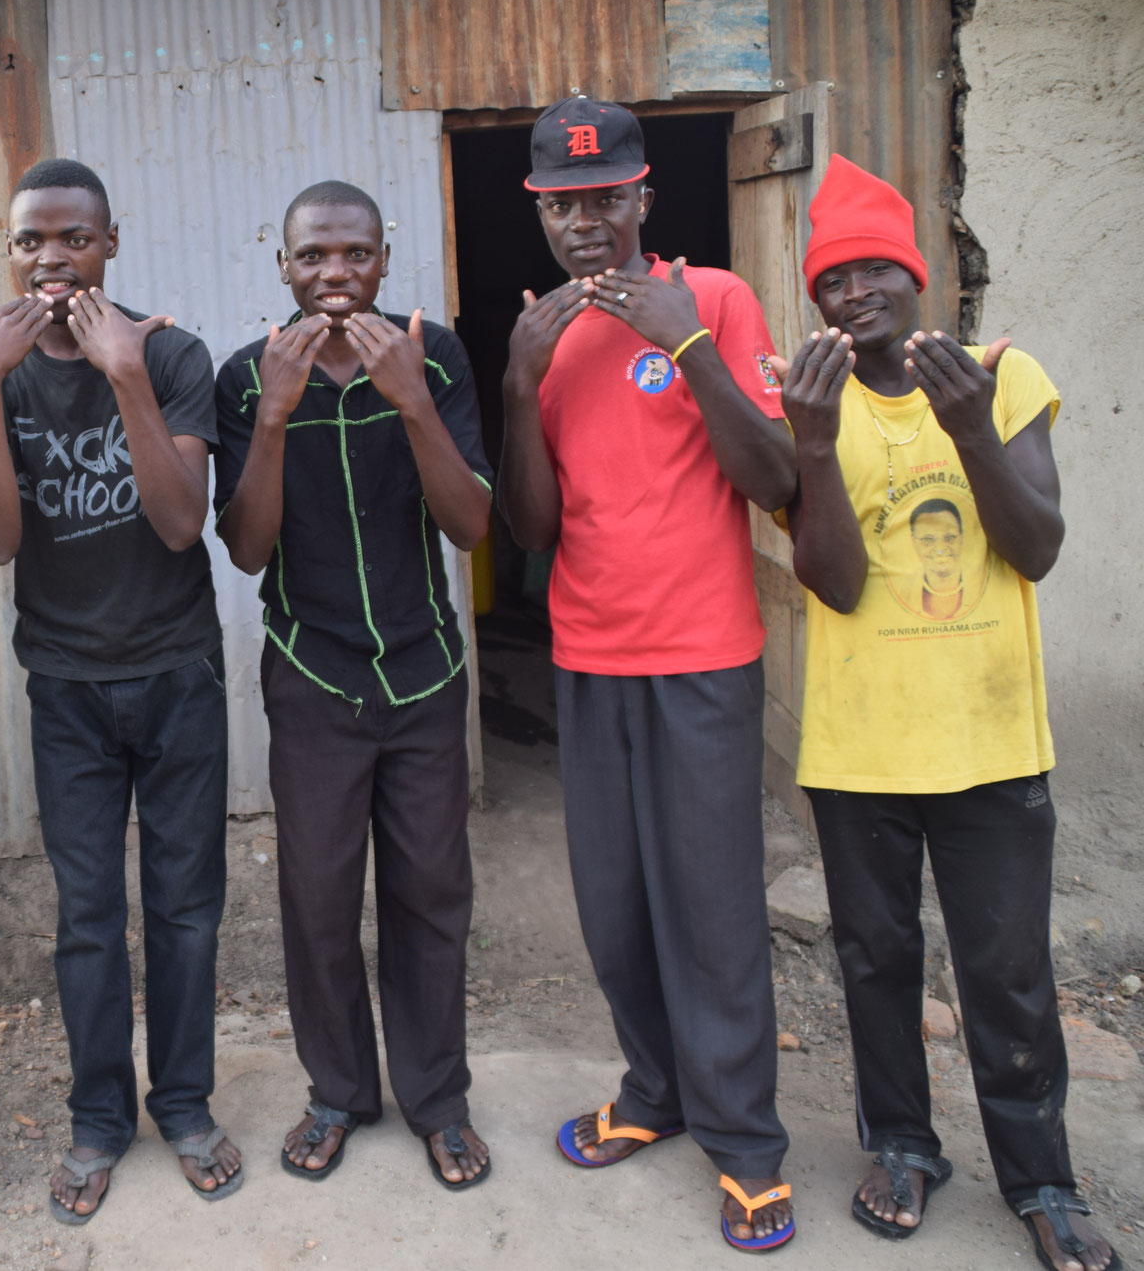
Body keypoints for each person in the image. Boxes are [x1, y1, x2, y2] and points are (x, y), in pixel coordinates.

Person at [777, 155, 1111, 1271]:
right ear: (813, 298)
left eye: (876, 267)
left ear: (917, 278)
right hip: (859, 746)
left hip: (988, 740)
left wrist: (969, 429)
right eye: (832, 277)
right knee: (873, 957)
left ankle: (1042, 1180)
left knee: (1004, 970)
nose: (855, 290)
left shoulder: (1001, 380)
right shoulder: (810, 403)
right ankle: (903, 1149)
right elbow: (831, 582)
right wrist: (811, 445)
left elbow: (1037, 548)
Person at [496, 97, 800, 1252]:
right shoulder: (543, 334)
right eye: (560, 205)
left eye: (603, 198)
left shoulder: (710, 299)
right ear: (541, 213)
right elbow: (529, 529)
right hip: (587, 656)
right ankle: (655, 1093)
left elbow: (772, 476)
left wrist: (684, 343)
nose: (584, 222)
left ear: (640, 198)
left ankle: (745, 1144)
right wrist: (521, 378)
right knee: (614, 906)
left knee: (712, 908)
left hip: (702, 656)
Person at [0, 158, 240, 1223]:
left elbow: (178, 522)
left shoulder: (167, 354)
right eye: (31, 241)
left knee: (185, 908)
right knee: (85, 917)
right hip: (66, 688)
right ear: (9, 249)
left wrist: (125, 378)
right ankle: (98, 1118)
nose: (51, 260)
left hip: (175, 675)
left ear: (107, 244)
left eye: (71, 239)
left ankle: (185, 1103)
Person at [215, 181, 495, 1190]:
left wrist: (412, 398)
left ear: (383, 259)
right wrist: (278, 415)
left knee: (429, 895)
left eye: (353, 256)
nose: (333, 277)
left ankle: (437, 1100)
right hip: (311, 674)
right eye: (311, 259)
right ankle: (336, 1092)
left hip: (422, 674)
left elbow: (467, 526)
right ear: (280, 266)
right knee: (319, 898)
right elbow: (246, 550)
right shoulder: (247, 379)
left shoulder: (437, 353)